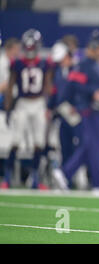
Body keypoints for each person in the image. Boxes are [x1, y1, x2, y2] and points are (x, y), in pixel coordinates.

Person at [52, 30, 99, 191]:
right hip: (89, 111)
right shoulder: (84, 65)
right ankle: (96, 183)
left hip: (96, 111)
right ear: (96, 47)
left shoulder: (93, 65)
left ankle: (67, 174)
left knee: (90, 147)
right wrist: (92, 92)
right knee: (92, 146)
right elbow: (75, 85)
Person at [1, 29, 53, 189]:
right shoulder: (16, 63)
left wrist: (48, 106)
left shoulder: (45, 63)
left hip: (38, 103)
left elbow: (48, 86)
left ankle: (35, 179)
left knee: (39, 142)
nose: (30, 50)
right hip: (23, 103)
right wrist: (9, 107)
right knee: (15, 141)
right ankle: (7, 178)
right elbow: (10, 86)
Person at [47, 41, 76, 167]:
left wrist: (77, 106)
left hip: (76, 114)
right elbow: (55, 92)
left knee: (78, 144)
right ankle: (65, 174)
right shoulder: (58, 72)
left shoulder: (77, 69)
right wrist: (49, 107)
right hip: (62, 114)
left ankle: (79, 174)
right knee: (63, 144)